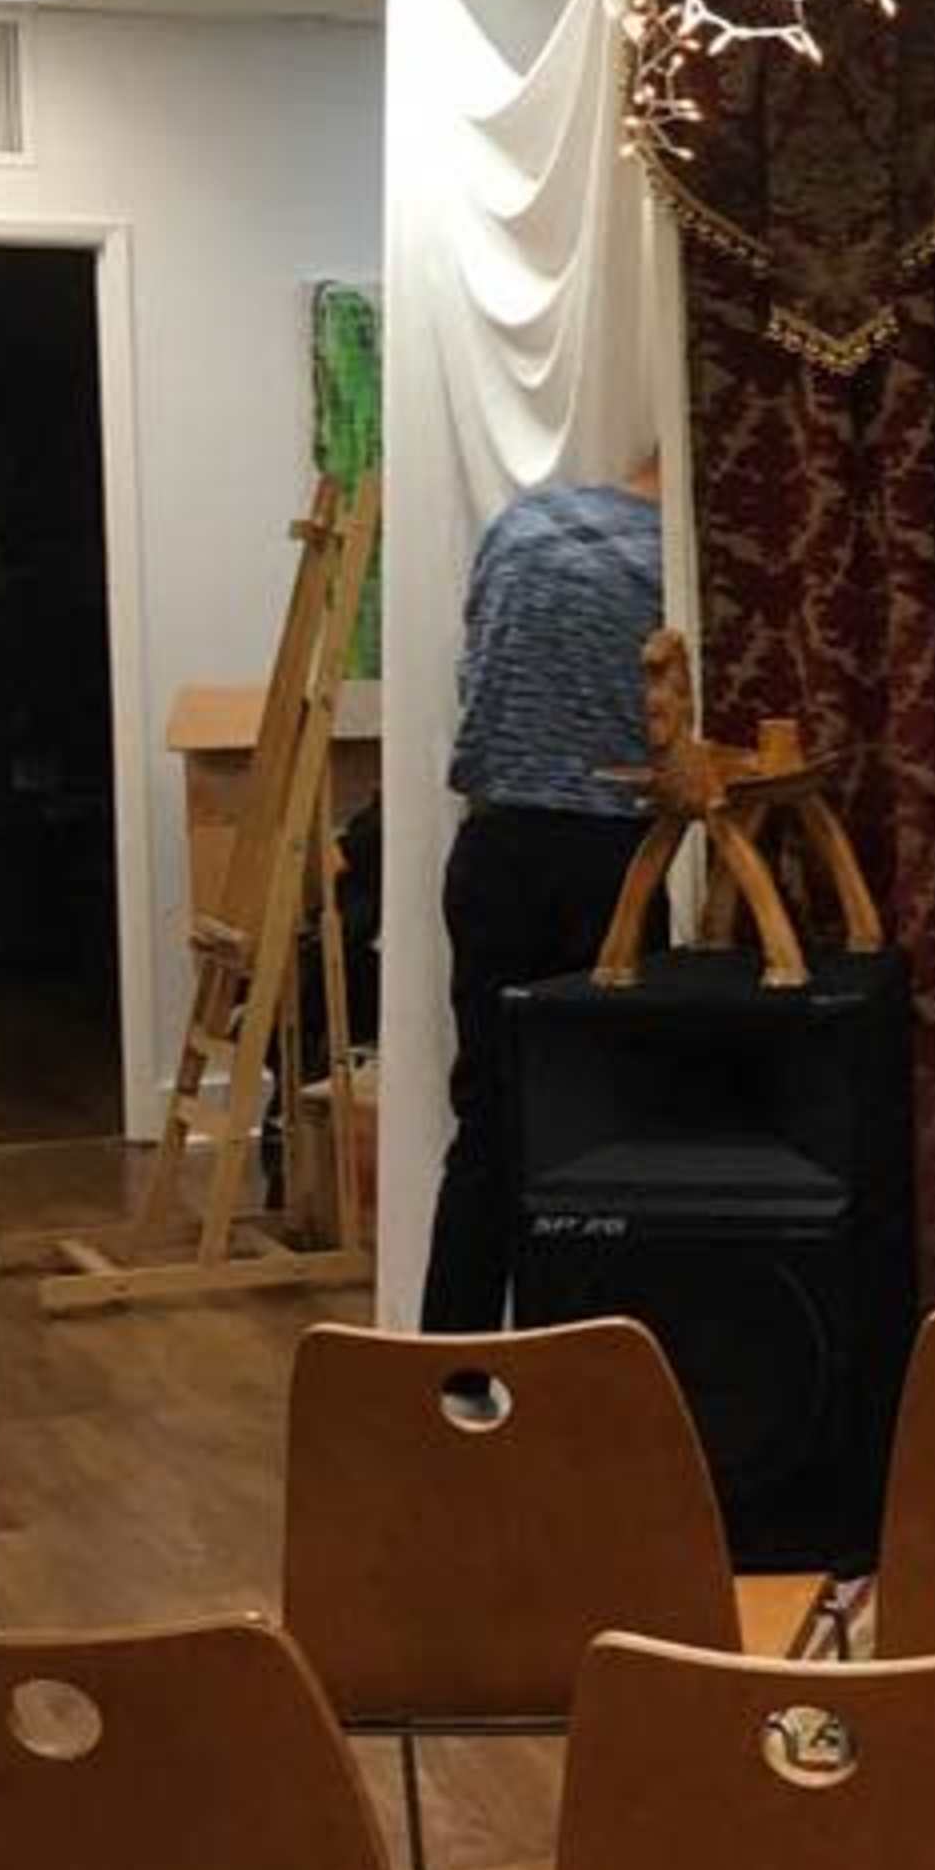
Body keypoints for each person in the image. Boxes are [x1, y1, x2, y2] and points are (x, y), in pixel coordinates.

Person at [418, 454, 663, 1332]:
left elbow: (474, 662)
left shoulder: (521, 526)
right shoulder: (677, 566)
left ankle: (451, 1376)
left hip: (493, 848)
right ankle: (594, 1372)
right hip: (615, 859)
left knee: (487, 1125)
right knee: (611, 1135)